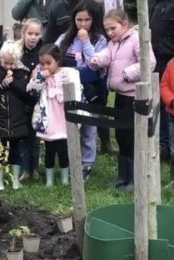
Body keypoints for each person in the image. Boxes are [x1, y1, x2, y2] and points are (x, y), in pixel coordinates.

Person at [90, 9, 156, 191]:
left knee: (131, 136)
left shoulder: (137, 39)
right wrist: (97, 59)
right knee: (120, 135)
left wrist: (128, 74)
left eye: (113, 28)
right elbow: (107, 55)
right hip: (119, 96)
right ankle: (122, 177)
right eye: (107, 29)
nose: (110, 33)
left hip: (133, 96)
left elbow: (149, 62)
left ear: (125, 25)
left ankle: (135, 180)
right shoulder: (114, 43)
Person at [56, 0, 107, 180]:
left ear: (93, 20)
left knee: (88, 128)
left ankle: (87, 163)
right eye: (79, 20)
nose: (82, 24)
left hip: (90, 90)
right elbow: (54, 57)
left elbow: (95, 64)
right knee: (69, 126)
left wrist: (85, 42)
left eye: (86, 20)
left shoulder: (99, 40)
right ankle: (71, 161)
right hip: (67, 90)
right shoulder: (65, 39)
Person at [27, 44, 82, 187]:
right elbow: (30, 90)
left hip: (62, 119)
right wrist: (39, 77)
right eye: (42, 63)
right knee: (49, 149)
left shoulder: (66, 74)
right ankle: (49, 179)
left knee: (63, 149)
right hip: (49, 119)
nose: (45, 67)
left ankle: (64, 177)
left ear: (57, 61)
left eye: (48, 63)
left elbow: (76, 92)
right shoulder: (39, 74)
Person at [0, 40, 33, 191]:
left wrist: (13, 83)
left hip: (18, 118)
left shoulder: (23, 74)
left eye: (12, 64)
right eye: (5, 63)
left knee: (16, 150)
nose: (9, 67)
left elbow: (27, 93)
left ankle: (15, 179)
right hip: (0, 118)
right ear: (0, 59)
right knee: (0, 150)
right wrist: (2, 85)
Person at [17, 18, 44, 182]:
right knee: (22, 136)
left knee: (34, 136)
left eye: (37, 34)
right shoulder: (16, 50)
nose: (33, 37)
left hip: (37, 100)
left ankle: (35, 168)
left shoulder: (43, 50)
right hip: (20, 98)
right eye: (30, 33)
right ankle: (24, 169)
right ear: (23, 33)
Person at [150, 0, 174, 162]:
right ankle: (161, 142)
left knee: (168, 105)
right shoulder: (152, 2)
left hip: (169, 58)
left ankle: (167, 144)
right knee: (156, 99)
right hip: (154, 58)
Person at [160, 58, 174, 186]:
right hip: (172, 114)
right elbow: (164, 84)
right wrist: (171, 100)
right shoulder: (171, 63)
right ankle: (173, 178)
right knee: (173, 148)